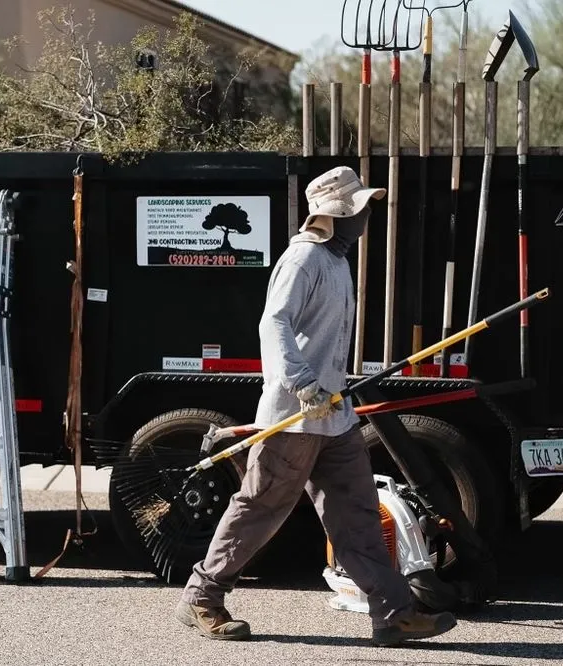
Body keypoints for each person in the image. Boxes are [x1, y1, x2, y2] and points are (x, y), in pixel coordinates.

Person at [174, 166, 458, 647]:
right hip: (296, 413)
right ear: (337, 214)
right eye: (361, 209)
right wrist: (304, 383)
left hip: (334, 415)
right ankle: (202, 597)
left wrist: (326, 387)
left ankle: (393, 613)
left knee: (358, 512)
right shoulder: (303, 258)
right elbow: (274, 323)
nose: (367, 216)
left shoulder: (338, 260)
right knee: (260, 507)